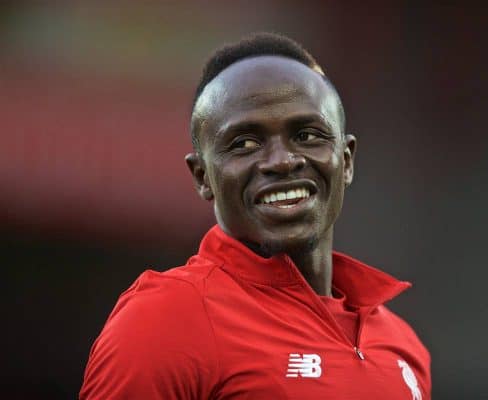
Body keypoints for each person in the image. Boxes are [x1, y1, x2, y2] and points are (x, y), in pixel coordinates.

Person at [80, 32, 431, 399]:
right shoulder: (164, 321)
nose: (282, 161)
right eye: (245, 143)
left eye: (308, 135)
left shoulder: (402, 344)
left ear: (345, 160)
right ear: (203, 177)